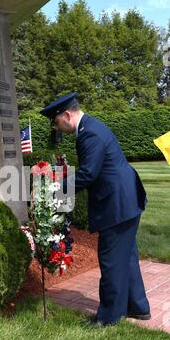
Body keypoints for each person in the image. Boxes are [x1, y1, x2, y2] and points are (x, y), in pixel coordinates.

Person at [40, 92, 151, 327]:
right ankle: (138, 307)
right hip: (126, 199)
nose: (57, 128)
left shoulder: (89, 133)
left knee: (111, 259)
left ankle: (109, 317)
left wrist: (55, 190)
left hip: (117, 203)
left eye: (57, 122)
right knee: (127, 256)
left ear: (67, 115)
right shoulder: (91, 127)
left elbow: (88, 174)